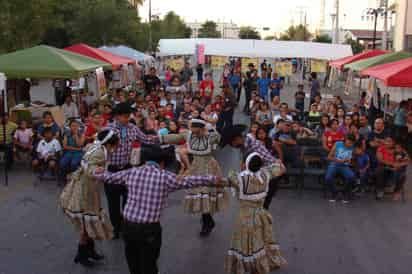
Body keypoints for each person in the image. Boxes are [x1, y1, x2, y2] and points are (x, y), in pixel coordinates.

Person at [96, 145, 225, 274]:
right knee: (149, 265)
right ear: (162, 162)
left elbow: (108, 177)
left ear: (145, 160)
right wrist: (213, 178)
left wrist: (98, 170)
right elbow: (191, 181)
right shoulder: (165, 177)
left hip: (128, 226)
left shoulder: (131, 172)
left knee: (133, 261)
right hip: (149, 229)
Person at [60, 130, 119, 267]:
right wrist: (96, 171)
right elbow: (89, 167)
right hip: (84, 191)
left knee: (89, 223)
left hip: (89, 188)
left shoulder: (98, 147)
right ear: (110, 143)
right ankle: (81, 255)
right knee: (86, 226)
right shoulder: (99, 152)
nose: (118, 145)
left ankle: (90, 251)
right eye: (117, 143)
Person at [160, 119, 225, 236]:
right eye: (193, 131)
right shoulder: (188, 135)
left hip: (209, 167)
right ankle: (207, 220)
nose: (195, 134)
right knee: (200, 194)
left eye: (197, 131)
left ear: (201, 129)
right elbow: (177, 137)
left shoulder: (210, 136)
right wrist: (160, 138)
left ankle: (207, 222)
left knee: (205, 193)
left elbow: (219, 138)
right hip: (195, 167)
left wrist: (208, 131)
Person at [225, 153, 287, 274]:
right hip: (261, 215)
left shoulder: (239, 179)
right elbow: (281, 168)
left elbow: (227, 178)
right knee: (260, 241)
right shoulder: (265, 174)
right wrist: (278, 161)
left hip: (244, 218)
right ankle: (259, 267)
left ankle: (247, 267)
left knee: (245, 244)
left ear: (246, 164)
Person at [106, 102, 158, 239]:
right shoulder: (108, 129)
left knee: (129, 200)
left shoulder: (133, 128)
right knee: (113, 203)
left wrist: (159, 139)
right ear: (117, 116)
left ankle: (125, 226)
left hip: (129, 170)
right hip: (112, 170)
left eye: (129, 115)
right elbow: (100, 147)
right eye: (125, 116)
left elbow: (145, 139)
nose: (128, 118)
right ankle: (115, 228)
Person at [222, 124, 285, 210]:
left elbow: (271, 162)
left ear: (237, 139)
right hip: (258, 176)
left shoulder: (254, 146)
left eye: (231, 143)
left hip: (267, 177)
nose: (232, 146)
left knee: (261, 206)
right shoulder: (245, 146)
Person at [325, 134, 357, 203]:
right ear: (345, 141)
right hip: (335, 164)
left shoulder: (352, 147)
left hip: (345, 166)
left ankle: (344, 192)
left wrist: (350, 161)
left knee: (351, 177)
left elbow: (353, 159)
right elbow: (329, 157)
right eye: (349, 142)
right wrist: (339, 160)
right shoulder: (338, 144)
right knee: (328, 178)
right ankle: (334, 192)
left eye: (352, 143)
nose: (350, 144)